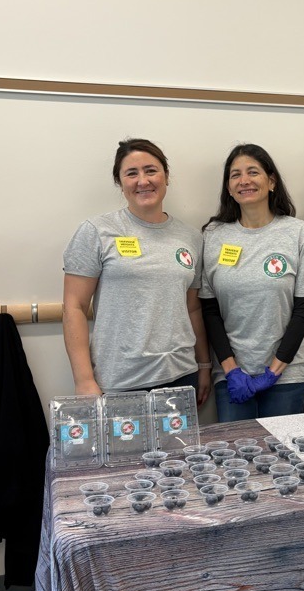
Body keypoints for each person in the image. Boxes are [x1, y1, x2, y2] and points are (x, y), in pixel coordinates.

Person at [62, 138, 211, 404]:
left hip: (181, 377)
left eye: (151, 170)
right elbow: (74, 306)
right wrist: (84, 379)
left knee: (179, 448)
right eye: (131, 173)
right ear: (120, 183)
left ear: (167, 176)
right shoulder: (97, 231)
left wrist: (203, 366)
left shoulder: (191, 238)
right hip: (120, 382)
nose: (143, 181)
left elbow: (192, 308)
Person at [200, 143, 304, 421]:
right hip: (232, 375)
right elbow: (209, 310)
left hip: (288, 375)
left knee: (285, 461)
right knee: (234, 461)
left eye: (252, 172)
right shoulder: (213, 235)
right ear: (229, 188)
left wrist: (273, 371)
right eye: (235, 175)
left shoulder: (299, 233)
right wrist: (231, 369)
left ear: (271, 181)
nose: (244, 181)